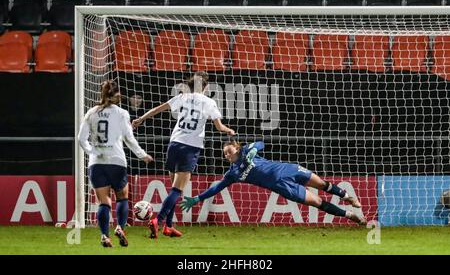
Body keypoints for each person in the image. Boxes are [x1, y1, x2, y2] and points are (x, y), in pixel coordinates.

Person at [132, 71, 235, 238]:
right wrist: (229, 130)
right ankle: (158, 220)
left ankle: (168, 227)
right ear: (206, 87)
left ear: (189, 85)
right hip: (190, 147)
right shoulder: (209, 102)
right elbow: (219, 127)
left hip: (174, 144)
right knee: (177, 189)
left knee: (173, 187)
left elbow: (160, 108)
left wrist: (140, 119)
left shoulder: (183, 97)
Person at [180, 141, 367, 225]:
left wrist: (253, 150)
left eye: (229, 151)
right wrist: (196, 199)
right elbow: (216, 188)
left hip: (289, 169)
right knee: (317, 202)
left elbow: (261, 143)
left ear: (236, 148)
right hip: (283, 187)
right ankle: (350, 215)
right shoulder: (232, 174)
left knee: (322, 183)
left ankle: (347, 196)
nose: (227, 155)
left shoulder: (246, 151)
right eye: (225, 154)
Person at [78, 80, 153, 247]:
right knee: (122, 197)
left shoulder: (91, 112)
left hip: (97, 163)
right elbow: (129, 138)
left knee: (103, 202)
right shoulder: (122, 113)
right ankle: (120, 227)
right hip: (116, 161)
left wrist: (93, 152)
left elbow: (81, 139)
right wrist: (143, 155)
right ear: (117, 95)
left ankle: (105, 236)